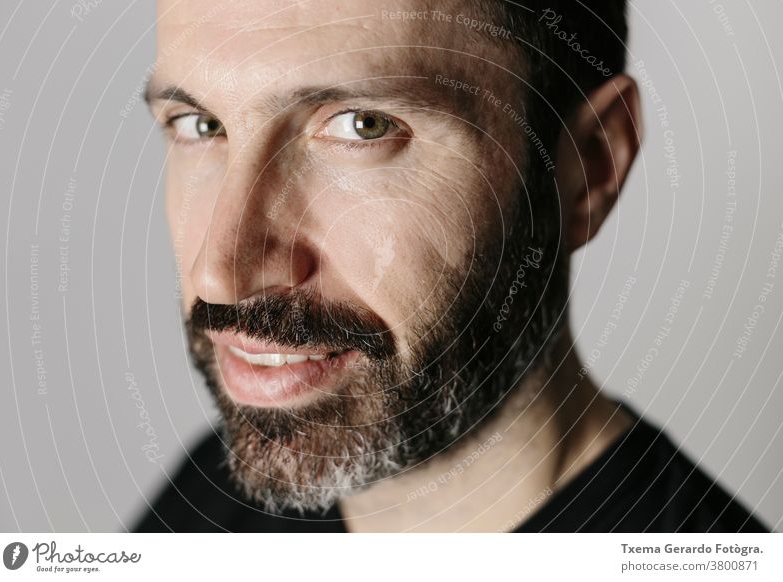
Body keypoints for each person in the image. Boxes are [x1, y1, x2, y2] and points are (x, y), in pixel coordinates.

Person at [134, 0, 767, 532]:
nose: (222, 274)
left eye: (365, 125)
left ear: (588, 167)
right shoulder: (209, 508)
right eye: (201, 123)